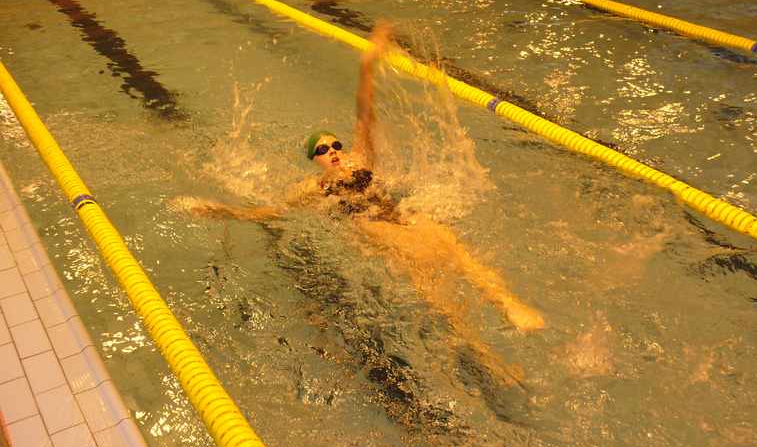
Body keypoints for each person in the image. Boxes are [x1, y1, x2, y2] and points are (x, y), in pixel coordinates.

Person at [181, 23, 544, 384]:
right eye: (322, 149)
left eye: (335, 144)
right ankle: (487, 357)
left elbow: (365, 113)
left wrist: (368, 65)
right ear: (314, 160)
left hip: (399, 214)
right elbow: (274, 212)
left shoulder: (361, 159)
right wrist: (225, 212)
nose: (332, 151)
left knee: (456, 247)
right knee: (437, 292)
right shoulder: (313, 188)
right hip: (375, 232)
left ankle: (509, 304)